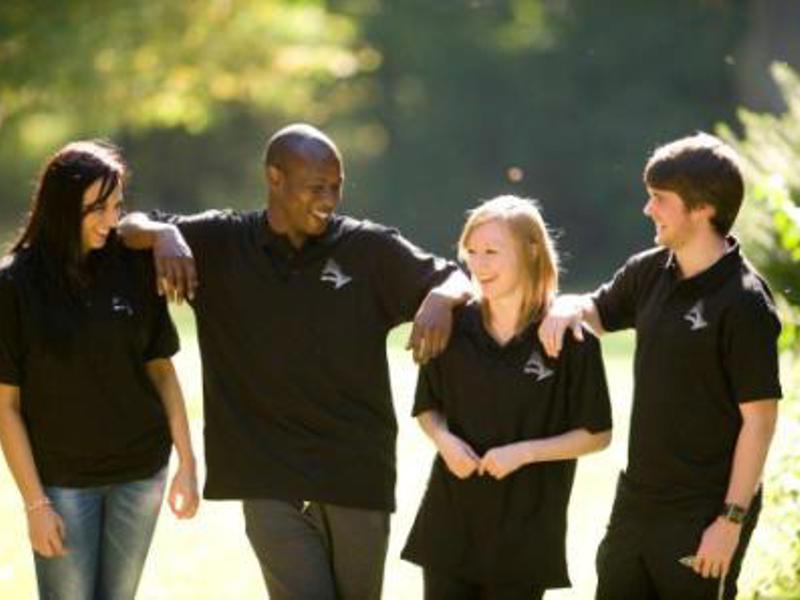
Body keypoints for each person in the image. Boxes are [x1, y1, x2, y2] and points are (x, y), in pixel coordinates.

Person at [118, 123, 471, 600]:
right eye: (315, 187)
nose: (329, 199)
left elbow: (457, 279)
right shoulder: (221, 243)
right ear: (275, 178)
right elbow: (125, 228)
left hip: (354, 469)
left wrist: (441, 298)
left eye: (336, 186)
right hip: (264, 471)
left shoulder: (369, 249)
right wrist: (163, 234)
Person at [538, 133, 782, 600]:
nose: (648, 209)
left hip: (704, 511)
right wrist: (569, 306)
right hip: (637, 501)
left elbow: (760, 422)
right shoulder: (649, 271)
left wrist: (729, 522)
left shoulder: (744, 302)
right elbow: (598, 312)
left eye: (660, 200)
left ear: (703, 209)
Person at [0, 140, 199, 600]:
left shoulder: (131, 266)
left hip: (141, 474)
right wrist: (36, 504)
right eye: (97, 208)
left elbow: (162, 372)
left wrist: (187, 463)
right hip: (63, 483)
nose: (111, 220)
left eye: (116, 205)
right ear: (61, 208)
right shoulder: (14, 285)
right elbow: (6, 407)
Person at [402, 195, 613, 599]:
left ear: (531, 250)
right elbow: (428, 407)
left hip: (527, 534)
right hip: (449, 526)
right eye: (472, 252)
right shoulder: (451, 325)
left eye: (493, 252)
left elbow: (597, 434)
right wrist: (444, 441)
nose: (479, 265)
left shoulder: (570, 338)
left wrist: (524, 453)